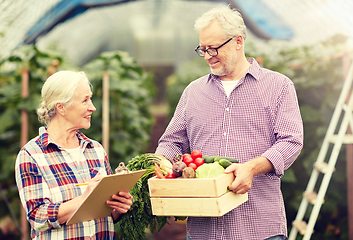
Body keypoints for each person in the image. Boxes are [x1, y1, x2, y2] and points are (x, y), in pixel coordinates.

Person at [155, 5, 303, 240]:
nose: (208, 56)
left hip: (259, 227)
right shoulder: (193, 92)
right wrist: (161, 162)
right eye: (202, 49)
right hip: (205, 229)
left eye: (213, 48)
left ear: (238, 41)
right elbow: (172, 141)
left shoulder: (278, 86)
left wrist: (251, 168)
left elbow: (291, 141)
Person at [15, 70, 133, 239]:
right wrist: (84, 198)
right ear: (61, 107)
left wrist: (118, 207)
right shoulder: (31, 155)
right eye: (85, 100)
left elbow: (107, 215)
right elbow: (38, 218)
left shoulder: (96, 150)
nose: (92, 107)